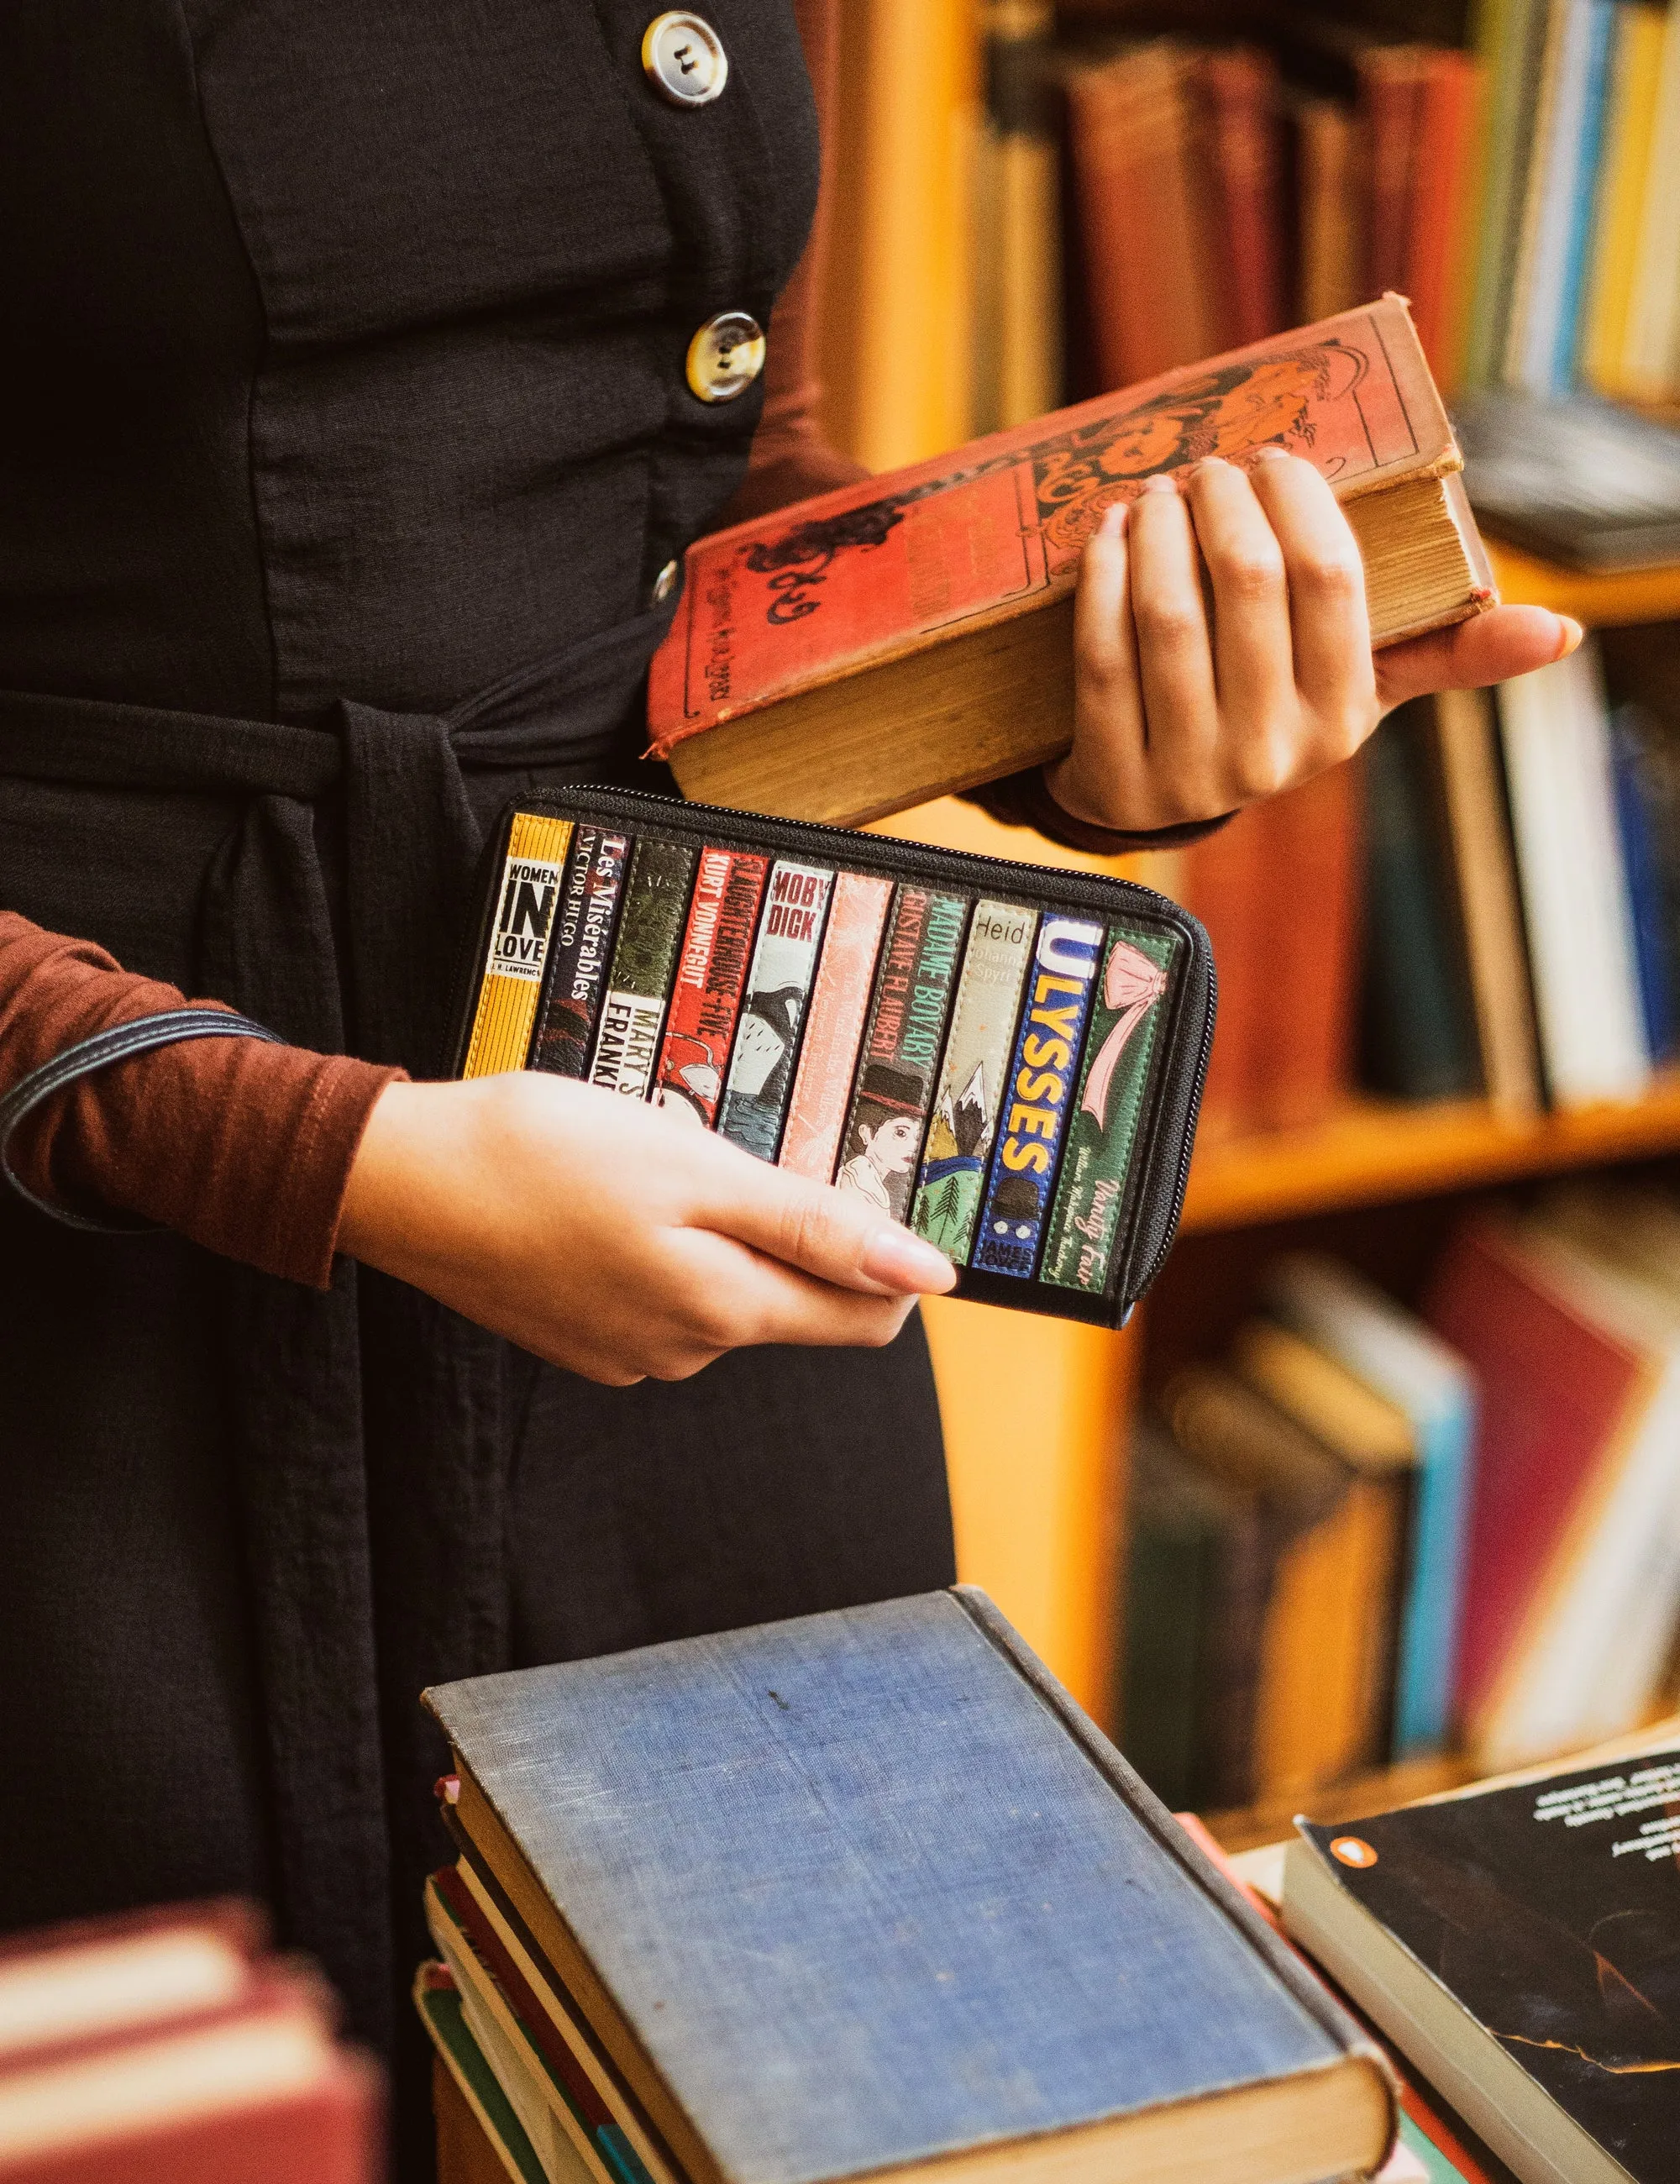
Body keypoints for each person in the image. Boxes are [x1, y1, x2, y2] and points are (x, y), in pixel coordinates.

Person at [0, 3, 1573, 2171]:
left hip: (676, 1128)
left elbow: (723, 476)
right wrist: (323, 1151)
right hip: (95, 1315)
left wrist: (1092, 690)